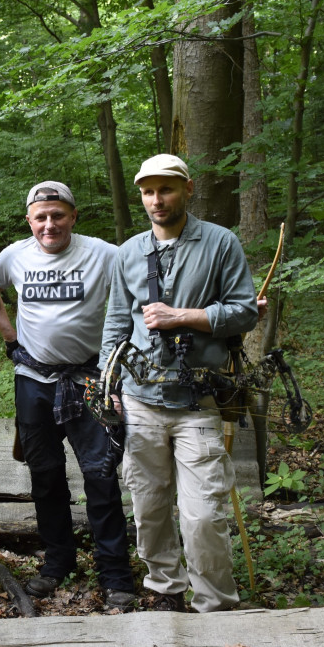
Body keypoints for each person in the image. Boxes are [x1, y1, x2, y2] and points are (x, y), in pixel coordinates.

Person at [100, 154, 258, 613]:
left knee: (204, 513)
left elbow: (245, 310)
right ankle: (165, 588)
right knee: (148, 506)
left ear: (188, 189)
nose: (156, 200)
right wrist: (109, 379)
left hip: (198, 400)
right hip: (139, 399)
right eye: (148, 191)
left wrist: (184, 316)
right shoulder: (128, 252)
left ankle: (215, 603)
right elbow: (116, 321)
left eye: (165, 189)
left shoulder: (219, 243)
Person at [0, 181, 136, 609]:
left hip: (89, 380)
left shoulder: (104, 254)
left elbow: (140, 293)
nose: (50, 224)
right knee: (45, 476)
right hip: (34, 381)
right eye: (41, 217)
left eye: (58, 215)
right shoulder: (15, 256)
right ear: (29, 220)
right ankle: (58, 562)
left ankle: (115, 573)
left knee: (100, 475)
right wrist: (10, 337)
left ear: (73, 216)